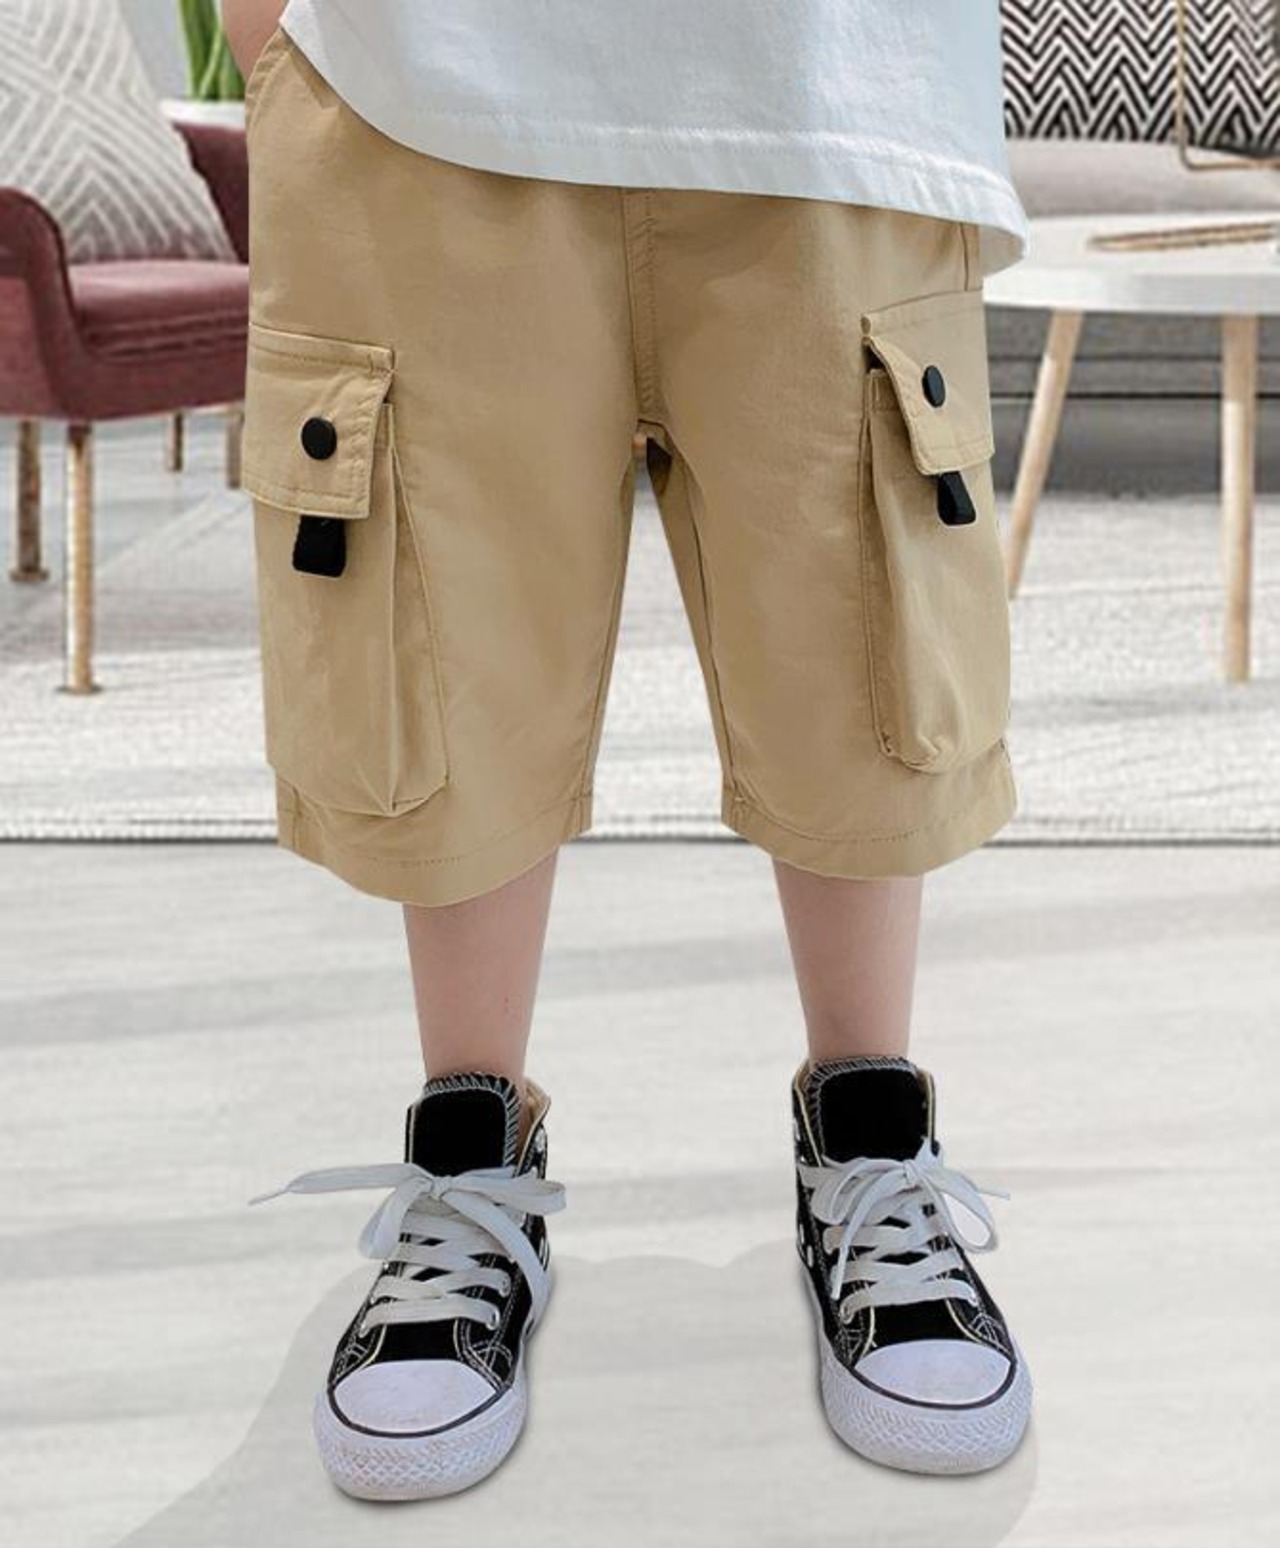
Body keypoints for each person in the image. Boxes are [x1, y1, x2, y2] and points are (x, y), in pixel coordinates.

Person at [224, 0, 1033, 1501]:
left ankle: (868, 1146)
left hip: (827, 86)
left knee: (864, 670)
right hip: (415, 86)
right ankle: (470, 1163)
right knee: (443, 671)